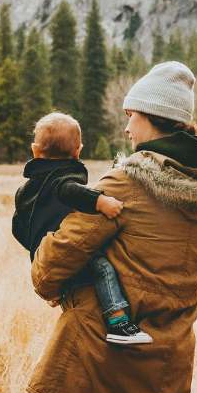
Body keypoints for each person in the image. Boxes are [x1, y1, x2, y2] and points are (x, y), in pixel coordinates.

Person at [27, 61, 197, 393]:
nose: (127, 129)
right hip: (167, 357)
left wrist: (42, 256)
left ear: (153, 119)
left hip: (101, 358)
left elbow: (52, 266)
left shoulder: (124, 185)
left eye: (131, 117)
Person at [12, 111, 152, 344]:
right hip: (63, 247)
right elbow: (69, 190)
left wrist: (37, 246)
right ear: (78, 151)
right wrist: (101, 201)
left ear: (35, 151)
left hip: (42, 254)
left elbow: (17, 227)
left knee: (71, 283)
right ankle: (118, 322)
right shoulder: (63, 178)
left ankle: (58, 290)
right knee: (103, 268)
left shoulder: (26, 190)